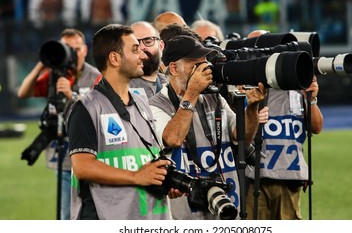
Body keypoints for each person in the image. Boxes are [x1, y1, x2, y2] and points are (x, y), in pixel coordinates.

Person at [66, 24, 181, 220]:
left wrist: (163, 179)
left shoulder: (142, 103)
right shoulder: (86, 108)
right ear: (115, 58)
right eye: (135, 50)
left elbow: (146, 158)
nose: (143, 56)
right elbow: (82, 166)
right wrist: (137, 177)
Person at [149, 35, 267, 220]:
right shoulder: (156, 105)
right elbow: (173, 139)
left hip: (227, 204)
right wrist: (192, 93)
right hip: (187, 215)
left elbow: (242, 136)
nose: (205, 70)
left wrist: (252, 108)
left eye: (205, 64)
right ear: (174, 68)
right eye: (196, 65)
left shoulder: (214, 98)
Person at [18, 28, 100, 220]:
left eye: (76, 49)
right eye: (66, 49)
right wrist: (42, 63)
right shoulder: (53, 75)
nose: (72, 54)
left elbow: (99, 111)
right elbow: (23, 93)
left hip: (90, 153)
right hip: (62, 155)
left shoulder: (96, 76)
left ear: (85, 50)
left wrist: (72, 96)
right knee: (66, 214)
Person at [245, 31, 324, 220]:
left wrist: (311, 100)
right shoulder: (245, 89)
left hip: (290, 176)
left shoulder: (297, 85)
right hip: (254, 178)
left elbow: (316, 127)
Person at [128, 21, 167, 99]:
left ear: (161, 46)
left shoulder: (171, 85)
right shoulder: (119, 87)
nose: (142, 47)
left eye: (148, 41)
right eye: (136, 43)